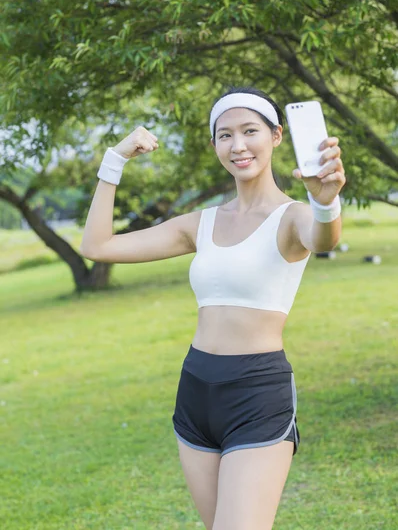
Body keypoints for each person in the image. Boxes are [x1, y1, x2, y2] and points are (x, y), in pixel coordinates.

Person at [80, 86, 346, 530]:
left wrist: (325, 202)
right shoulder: (200, 224)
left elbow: (324, 239)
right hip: (196, 393)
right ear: (214, 145)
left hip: (257, 394)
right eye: (225, 135)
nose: (238, 145)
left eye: (250, 131)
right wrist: (115, 159)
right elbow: (97, 245)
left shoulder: (293, 216)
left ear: (277, 136)